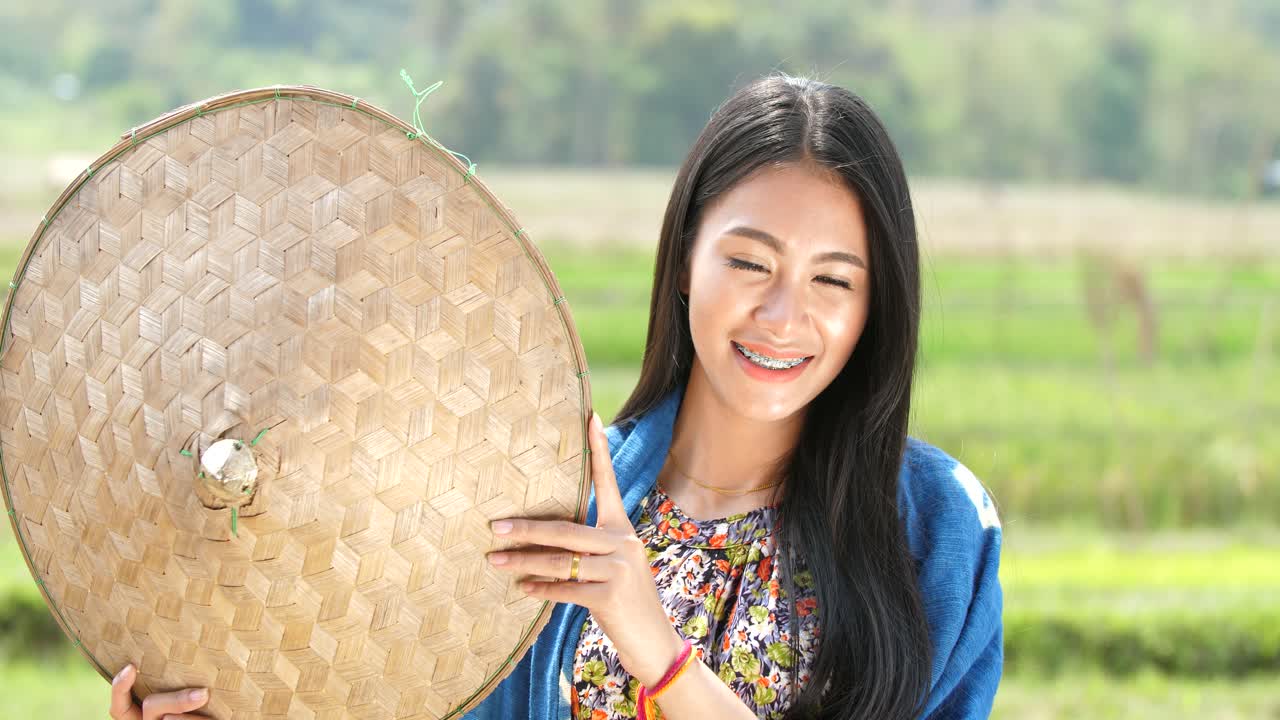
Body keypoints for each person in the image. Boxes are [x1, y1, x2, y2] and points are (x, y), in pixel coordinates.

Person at [109, 72, 1003, 720]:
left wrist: (649, 640)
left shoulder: (935, 528)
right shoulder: (544, 507)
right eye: (749, 262)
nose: (783, 316)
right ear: (687, 261)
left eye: (833, 281)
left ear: (875, 304)